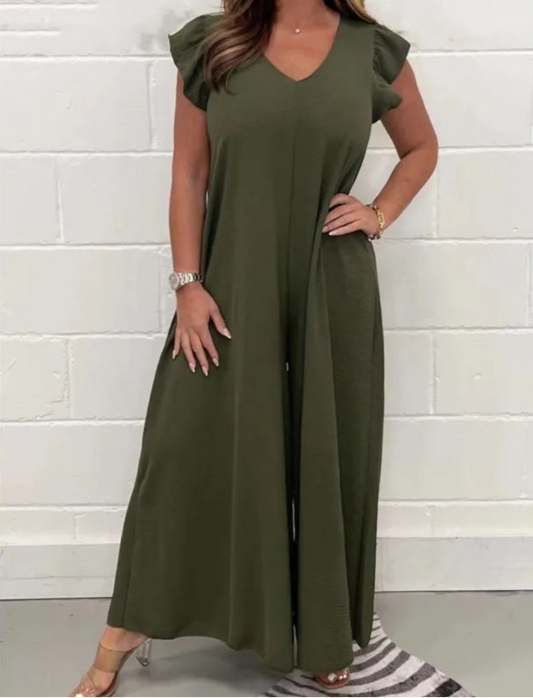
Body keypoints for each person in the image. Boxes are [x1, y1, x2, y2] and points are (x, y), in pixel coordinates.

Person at [69, 0, 438, 695]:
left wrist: (378, 213)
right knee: (184, 441)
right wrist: (188, 285)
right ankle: (131, 622)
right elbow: (188, 174)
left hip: (332, 280)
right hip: (231, 283)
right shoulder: (214, 46)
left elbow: (422, 148)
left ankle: (324, 629)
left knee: (326, 452)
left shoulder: (371, 50)